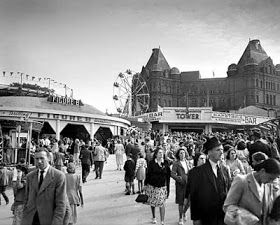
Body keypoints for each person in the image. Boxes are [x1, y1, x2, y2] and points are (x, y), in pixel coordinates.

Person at [224, 158, 280, 225]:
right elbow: (228, 206)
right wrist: (248, 218)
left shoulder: (268, 185)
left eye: (273, 180)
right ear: (262, 171)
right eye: (270, 178)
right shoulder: (241, 181)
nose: (271, 182)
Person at [188, 136, 231, 225]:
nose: (221, 152)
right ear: (209, 152)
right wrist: (196, 218)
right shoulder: (197, 172)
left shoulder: (225, 169)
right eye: (218, 150)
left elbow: (229, 191)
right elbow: (194, 197)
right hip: (206, 217)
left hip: (223, 217)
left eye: (222, 150)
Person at [21, 148, 67, 225]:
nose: (39, 161)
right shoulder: (30, 176)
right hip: (30, 219)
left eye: (42, 158)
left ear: (48, 158)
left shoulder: (58, 176)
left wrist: (56, 222)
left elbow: (61, 204)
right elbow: (26, 198)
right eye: (36, 159)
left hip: (48, 220)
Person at [144, 147, 171, 225]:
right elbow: (148, 174)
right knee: (153, 203)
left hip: (162, 187)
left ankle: (162, 221)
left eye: (162, 153)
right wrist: (145, 184)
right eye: (159, 152)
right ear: (156, 154)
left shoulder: (165, 162)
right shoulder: (151, 163)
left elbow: (168, 176)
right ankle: (154, 217)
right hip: (152, 186)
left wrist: (168, 189)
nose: (161, 154)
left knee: (162, 204)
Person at [171, 148, 192, 225]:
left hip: (188, 184)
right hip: (180, 185)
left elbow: (190, 171)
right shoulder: (176, 163)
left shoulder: (187, 162)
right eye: (180, 153)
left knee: (189, 201)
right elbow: (172, 174)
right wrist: (179, 179)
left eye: (183, 153)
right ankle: (180, 218)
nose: (182, 154)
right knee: (181, 202)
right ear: (178, 154)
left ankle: (184, 212)